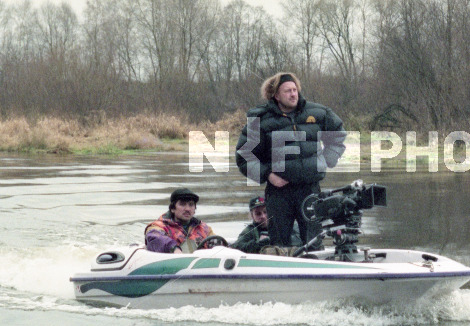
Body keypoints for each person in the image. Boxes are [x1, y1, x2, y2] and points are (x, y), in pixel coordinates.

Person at [235, 72, 346, 247]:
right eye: (287, 91)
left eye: (295, 90)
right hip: (279, 193)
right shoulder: (261, 119)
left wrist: (325, 161)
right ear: (276, 95)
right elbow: (244, 156)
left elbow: (338, 137)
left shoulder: (318, 112)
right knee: (279, 245)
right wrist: (268, 175)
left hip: (309, 190)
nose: (293, 94)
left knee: (314, 243)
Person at [144, 187, 214, 253]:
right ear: (172, 209)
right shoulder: (158, 227)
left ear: (194, 209)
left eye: (191, 205)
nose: (187, 209)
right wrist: (173, 248)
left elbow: (217, 244)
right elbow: (154, 238)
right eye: (182, 204)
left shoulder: (204, 229)